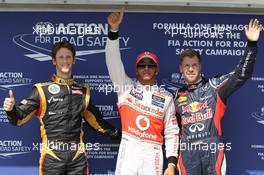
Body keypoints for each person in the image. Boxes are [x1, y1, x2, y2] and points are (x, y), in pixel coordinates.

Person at [3, 41, 121, 175]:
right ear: (54, 61)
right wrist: (11, 110)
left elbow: (98, 124)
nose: (65, 61)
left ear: (74, 60)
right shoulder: (41, 90)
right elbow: (18, 119)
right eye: (61, 57)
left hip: (77, 157)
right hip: (52, 157)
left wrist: (122, 136)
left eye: (68, 57)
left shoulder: (83, 91)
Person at [175, 19, 261, 174]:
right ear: (181, 68)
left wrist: (251, 45)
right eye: (187, 65)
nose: (191, 69)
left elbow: (241, 75)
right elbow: (170, 131)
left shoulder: (214, 87)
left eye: (194, 65)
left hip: (213, 151)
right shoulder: (176, 97)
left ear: (200, 67)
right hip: (187, 152)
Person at [106, 8, 180, 175]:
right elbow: (112, 61)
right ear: (136, 69)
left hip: (152, 153)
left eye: (150, 65)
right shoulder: (125, 87)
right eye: (142, 65)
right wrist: (113, 31)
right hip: (128, 150)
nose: (146, 68)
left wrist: (171, 164)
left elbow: (171, 132)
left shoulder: (166, 97)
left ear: (157, 69)